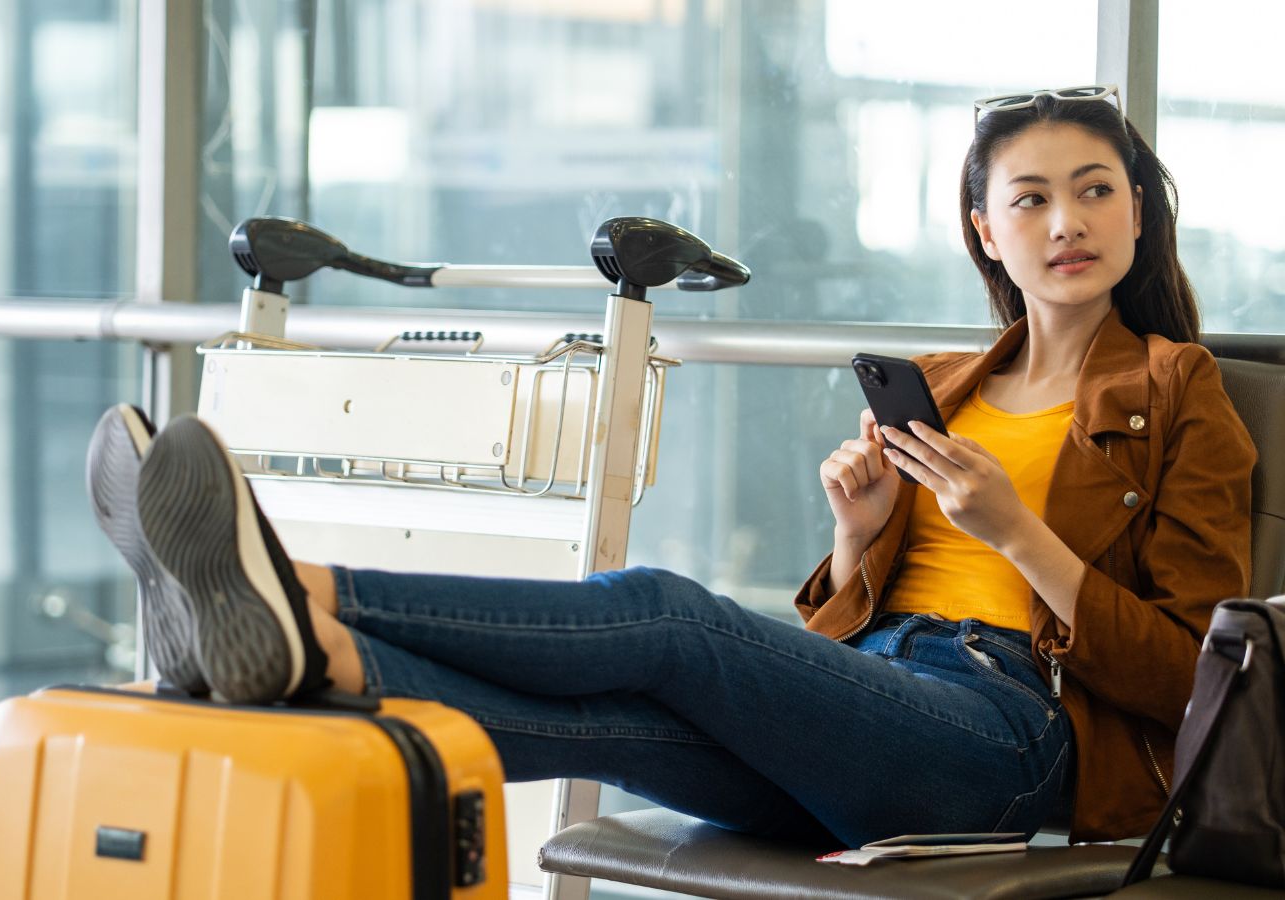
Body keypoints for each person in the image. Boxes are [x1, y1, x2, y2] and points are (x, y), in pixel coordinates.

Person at [85, 84, 1255, 847]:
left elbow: (1192, 682)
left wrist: (1014, 532)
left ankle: (293, 587)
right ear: (984, 231)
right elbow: (850, 629)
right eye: (1032, 199)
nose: (1067, 222)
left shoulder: (1176, 392)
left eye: (1096, 191)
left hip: (1011, 742)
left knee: (664, 616)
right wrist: (859, 535)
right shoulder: (945, 383)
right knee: (596, 715)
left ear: (1140, 215)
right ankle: (307, 655)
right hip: (886, 696)